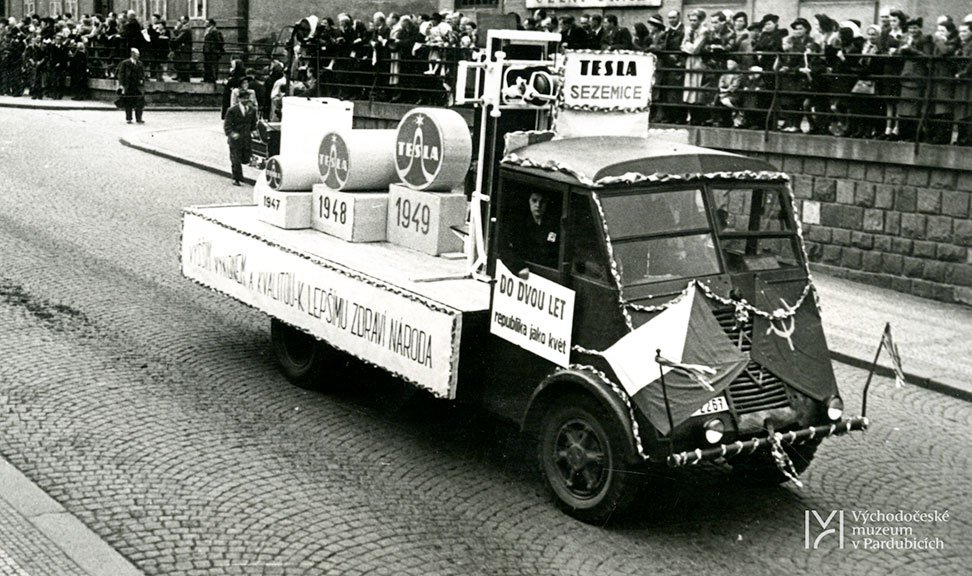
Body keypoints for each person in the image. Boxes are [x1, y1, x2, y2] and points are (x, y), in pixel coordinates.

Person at [507, 191, 559, 277]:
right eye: (534, 201)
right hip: (527, 274)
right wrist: (519, 267)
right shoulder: (519, 224)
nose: (538, 205)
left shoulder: (553, 225)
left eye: (542, 202)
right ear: (529, 201)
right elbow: (505, 248)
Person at [224, 88, 257, 186]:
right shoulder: (232, 110)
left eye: (247, 98)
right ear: (239, 99)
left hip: (246, 139)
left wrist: (254, 131)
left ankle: (238, 175)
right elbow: (227, 125)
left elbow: (253, 124)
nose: (246, 100)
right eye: (243, 98)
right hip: (235, 139)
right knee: (235, 159)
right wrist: (232, 133)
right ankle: (236, 178)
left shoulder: (252, 110)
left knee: (246, 158)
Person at [116, 47, 145, 123]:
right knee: (128, 102)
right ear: (132, 54)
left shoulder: (140, 64)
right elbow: (121, 74)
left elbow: (142, 74)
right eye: (137, 54)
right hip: (128, 85)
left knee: (139, 102)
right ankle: (129, 118)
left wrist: (142, 79)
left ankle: (139, 118)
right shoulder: (125, 63)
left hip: (137, 86)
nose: (138, 56)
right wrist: (121, 84)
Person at [202, 18, 224, 83]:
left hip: (212, 51)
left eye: (207, 22)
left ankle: (212, 78)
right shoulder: (208, 30)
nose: (205, 23)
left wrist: (214, 48)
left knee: (212, 64)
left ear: (210, 23)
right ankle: (207, 78)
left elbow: (218, 41)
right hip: (207, 50)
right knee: (207, 64)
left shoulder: (214, 31)